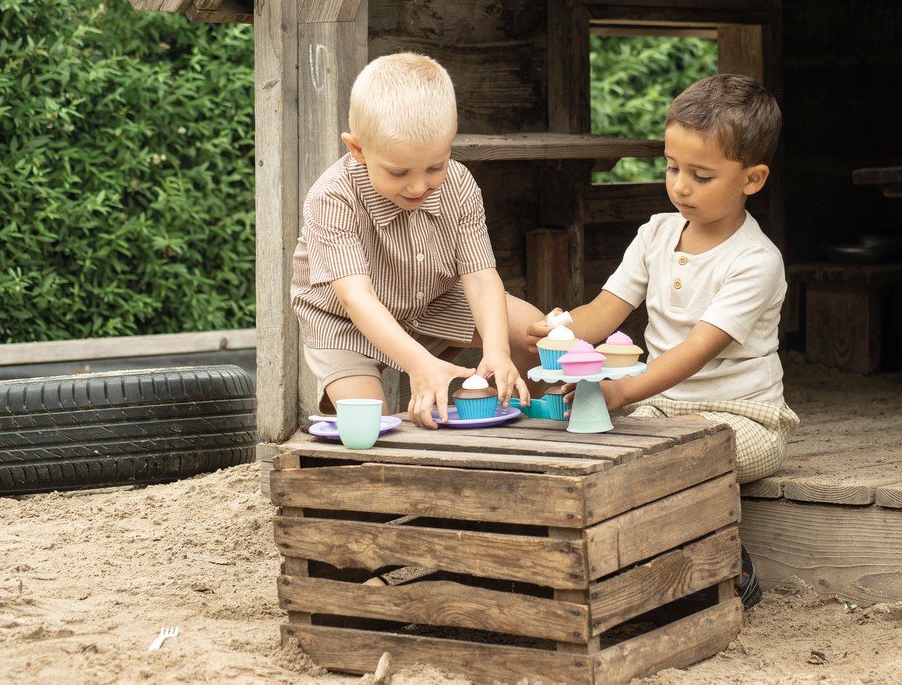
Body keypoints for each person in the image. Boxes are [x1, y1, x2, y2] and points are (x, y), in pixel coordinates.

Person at [525, 73, 798, 609]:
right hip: (661, 405)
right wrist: (560, 330)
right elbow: (605, 310)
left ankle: (730, 566)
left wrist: (624, 393)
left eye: (701, 175)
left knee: (674, 456)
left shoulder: (754, 261)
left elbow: (696, 350)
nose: (680, 186)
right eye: (672, 168)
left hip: (742, 419)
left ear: (753, 178)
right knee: (598, 443)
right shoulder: (654, 234)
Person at [290, 52, 542, 429]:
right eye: (398, 172)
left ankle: (509, 418)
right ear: (357, 149)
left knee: (531, 331)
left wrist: (497, 350)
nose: (418, 185)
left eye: (434, 167)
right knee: (370, 426)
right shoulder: (332, 197)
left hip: (432, 302)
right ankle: (409, 399)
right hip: (344, 322)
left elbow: (480, 276)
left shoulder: (459, 183)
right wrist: (418, 363)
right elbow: (356, 299)